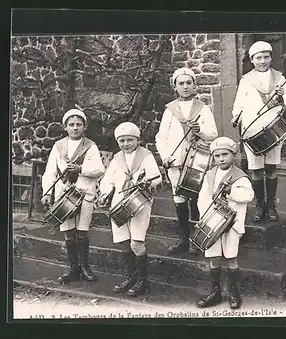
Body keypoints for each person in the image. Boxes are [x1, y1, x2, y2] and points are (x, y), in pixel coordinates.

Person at [155, 67, 218, 253]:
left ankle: (196, 240)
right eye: (181, 83)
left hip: (197, 162)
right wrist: (166, 156)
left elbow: (213, 134)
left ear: (195, 85)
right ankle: (183, 238)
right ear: (175, 87)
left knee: (196, 199)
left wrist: (200, 131)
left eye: (188, 83)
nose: (185, 87)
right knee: (179, 199)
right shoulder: (170, 110)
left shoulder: (203, 109)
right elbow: (161, 138)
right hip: (176, 162)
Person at [231, 41, 286, 223]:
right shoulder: (246, 80)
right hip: (253, 129)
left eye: (266, 57)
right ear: (252, 60)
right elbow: (238, 104)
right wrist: (236, 116)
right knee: (256, 169)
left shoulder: (280, 79)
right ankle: (260, 206)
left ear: (271, 58)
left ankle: (272, 206)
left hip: (273, 129)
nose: (263, 61)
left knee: (271, 167)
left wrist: (281, 97)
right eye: (258, 58)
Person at [97, 122, 162, 297]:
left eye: (130, 140)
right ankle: (130, 277)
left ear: (138, 140)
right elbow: (108, 180)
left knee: (136, 242)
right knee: (124, 241)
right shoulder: (117, 158)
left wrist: (148, 182)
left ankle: (143, 281)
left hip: (139, 202)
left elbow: (156, 177)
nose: (126, 144)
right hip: (119, 202)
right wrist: (104, 193)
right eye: (122, 140)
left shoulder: (146, 156)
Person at [41, 109, 105, 284]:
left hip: (84, 193)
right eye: (71, 125)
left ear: (84, 127)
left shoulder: (90, 146)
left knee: (82, 231)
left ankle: (85, 267)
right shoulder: (58, 146)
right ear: (65, 127)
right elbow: (50, 172)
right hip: (64, 195)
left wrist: (81, 170)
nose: (75, 128)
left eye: (79, 124)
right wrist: (47, 193)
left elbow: (100, 169)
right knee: (68, 231)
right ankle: (73, 269)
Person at [196, 137, 254, 309]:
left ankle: (233, 292)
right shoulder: (210, 174)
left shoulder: (240, 176)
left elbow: (247, 196)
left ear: (233, 155)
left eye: (225, 154)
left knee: (231, 256)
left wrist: (231, 192)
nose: (221, 158)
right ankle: (216, 292)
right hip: (213, 223)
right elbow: (203, 197)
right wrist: (206, 217)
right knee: (213, 257)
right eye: (217, 155)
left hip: (231, 223)